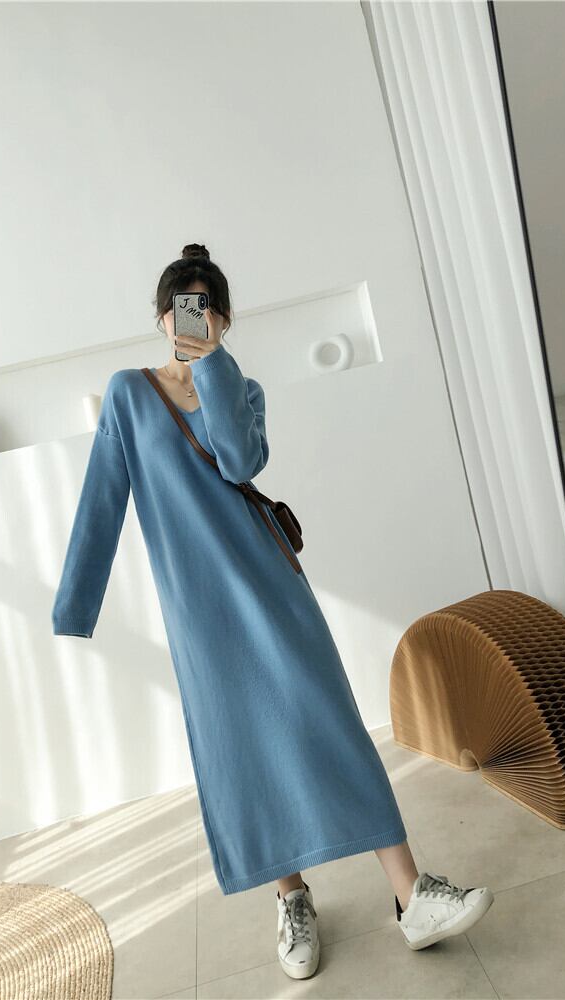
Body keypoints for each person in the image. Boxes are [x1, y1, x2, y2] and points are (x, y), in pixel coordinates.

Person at [51, 243, 494, 980]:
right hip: (199, 610)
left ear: (223, 319)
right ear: (161, 318)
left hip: (270, 584)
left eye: (206, 309)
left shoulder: (240, 387)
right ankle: (292, 900)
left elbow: (239, 461)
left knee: (331, 723)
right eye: (181, 308)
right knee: (241, 751)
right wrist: (76, 605)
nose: (192, 320)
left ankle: (412, 894)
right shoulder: (128, 394)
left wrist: (212, 369)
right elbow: (104, 495)